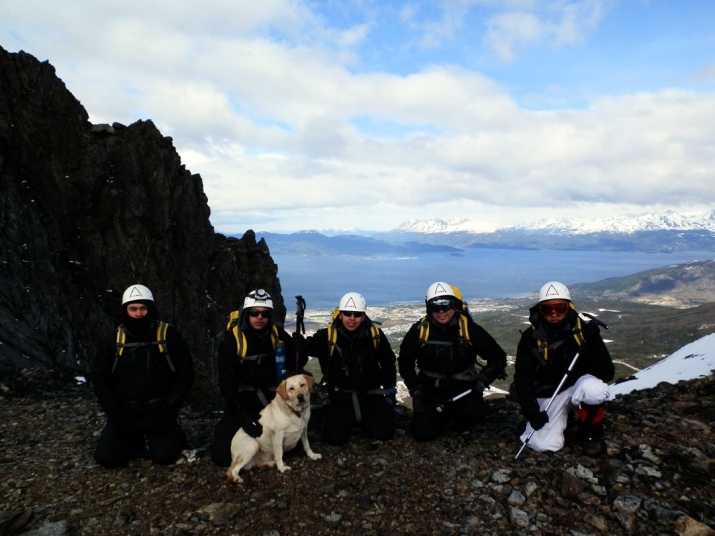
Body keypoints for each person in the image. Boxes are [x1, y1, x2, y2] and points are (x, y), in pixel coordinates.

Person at [90, 284, 194, 468]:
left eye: (143, 308)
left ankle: (169, 432)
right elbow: (100, 376)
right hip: (125, 410)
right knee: (106, 459)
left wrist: (169, 409)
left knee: (165, 456)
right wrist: (114, 410)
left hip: (160, 408)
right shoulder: (114, 339)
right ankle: (133, 438)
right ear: (125, 310)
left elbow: (185, 374)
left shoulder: (169, 335)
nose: (138, 314)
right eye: (133, 309)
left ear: (151, 308)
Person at [514, 281, 614, 457]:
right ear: (540, 309)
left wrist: (595, 342)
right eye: (547, 308)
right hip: (550, 394)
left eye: (560, 307)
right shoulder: (531, 338)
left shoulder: (583, 332)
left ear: (569, 307)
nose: (554, 313)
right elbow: (523, 377)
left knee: (595, 390)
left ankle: (590, 435)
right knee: (544, 445)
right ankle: (563, 417)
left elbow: (606, 374)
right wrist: (531, 412)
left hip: (577, 387)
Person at [398, 282, 507, 441]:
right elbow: (404, 362)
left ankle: (456, 417)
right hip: (431, 391)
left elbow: (497, 357)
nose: (441, 311)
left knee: (475, 413)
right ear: (429, 308)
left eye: (446, 305)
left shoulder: (468, 328)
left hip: (464, 390)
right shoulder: (419, 330)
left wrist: (482, 380)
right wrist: (416, 391)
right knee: (422, 433)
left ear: (454, 306)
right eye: (436, 306)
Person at [210, 289, 307, 467]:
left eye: (264, 313)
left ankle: (266, 454)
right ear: (246, 313)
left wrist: (300, 349)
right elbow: (226, 385)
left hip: (272, 401)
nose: (259, 317)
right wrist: (244, 417)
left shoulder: (276, 334)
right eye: (254, 312)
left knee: (294, 445)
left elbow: (295, 365)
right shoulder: (232, 341)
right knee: (222, 456)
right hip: (242, 401)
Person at [304, 292, 397, 446]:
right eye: (347, 313)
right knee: (334, 438)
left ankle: (363, 421)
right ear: (340, 315)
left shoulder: (374, 334)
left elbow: (388, 361)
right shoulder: (329, 335)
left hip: (371, 395)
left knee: (384, 432)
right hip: (341, 396)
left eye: (357, 314)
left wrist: (389, 388)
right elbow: (310, 347)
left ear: (363, 316)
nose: (352, 318)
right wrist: (299, 345)